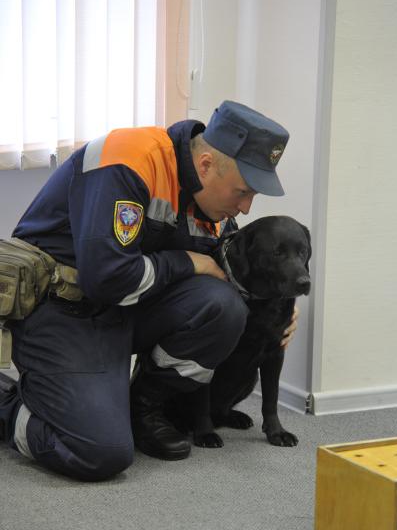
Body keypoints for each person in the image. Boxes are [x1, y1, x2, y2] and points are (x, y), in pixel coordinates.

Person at [0, 100, 298, 481]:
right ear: (206, 165)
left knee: (223, 308)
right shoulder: (129, 161)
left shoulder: (212, 204)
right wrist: (187, 263)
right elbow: (106, 278)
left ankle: (144, 407)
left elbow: (235, 265)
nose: (244, 207)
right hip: (62, 310)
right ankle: (9, 409)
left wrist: (283, 306)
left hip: (125, 309)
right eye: (242, 192)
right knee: (97, 452)